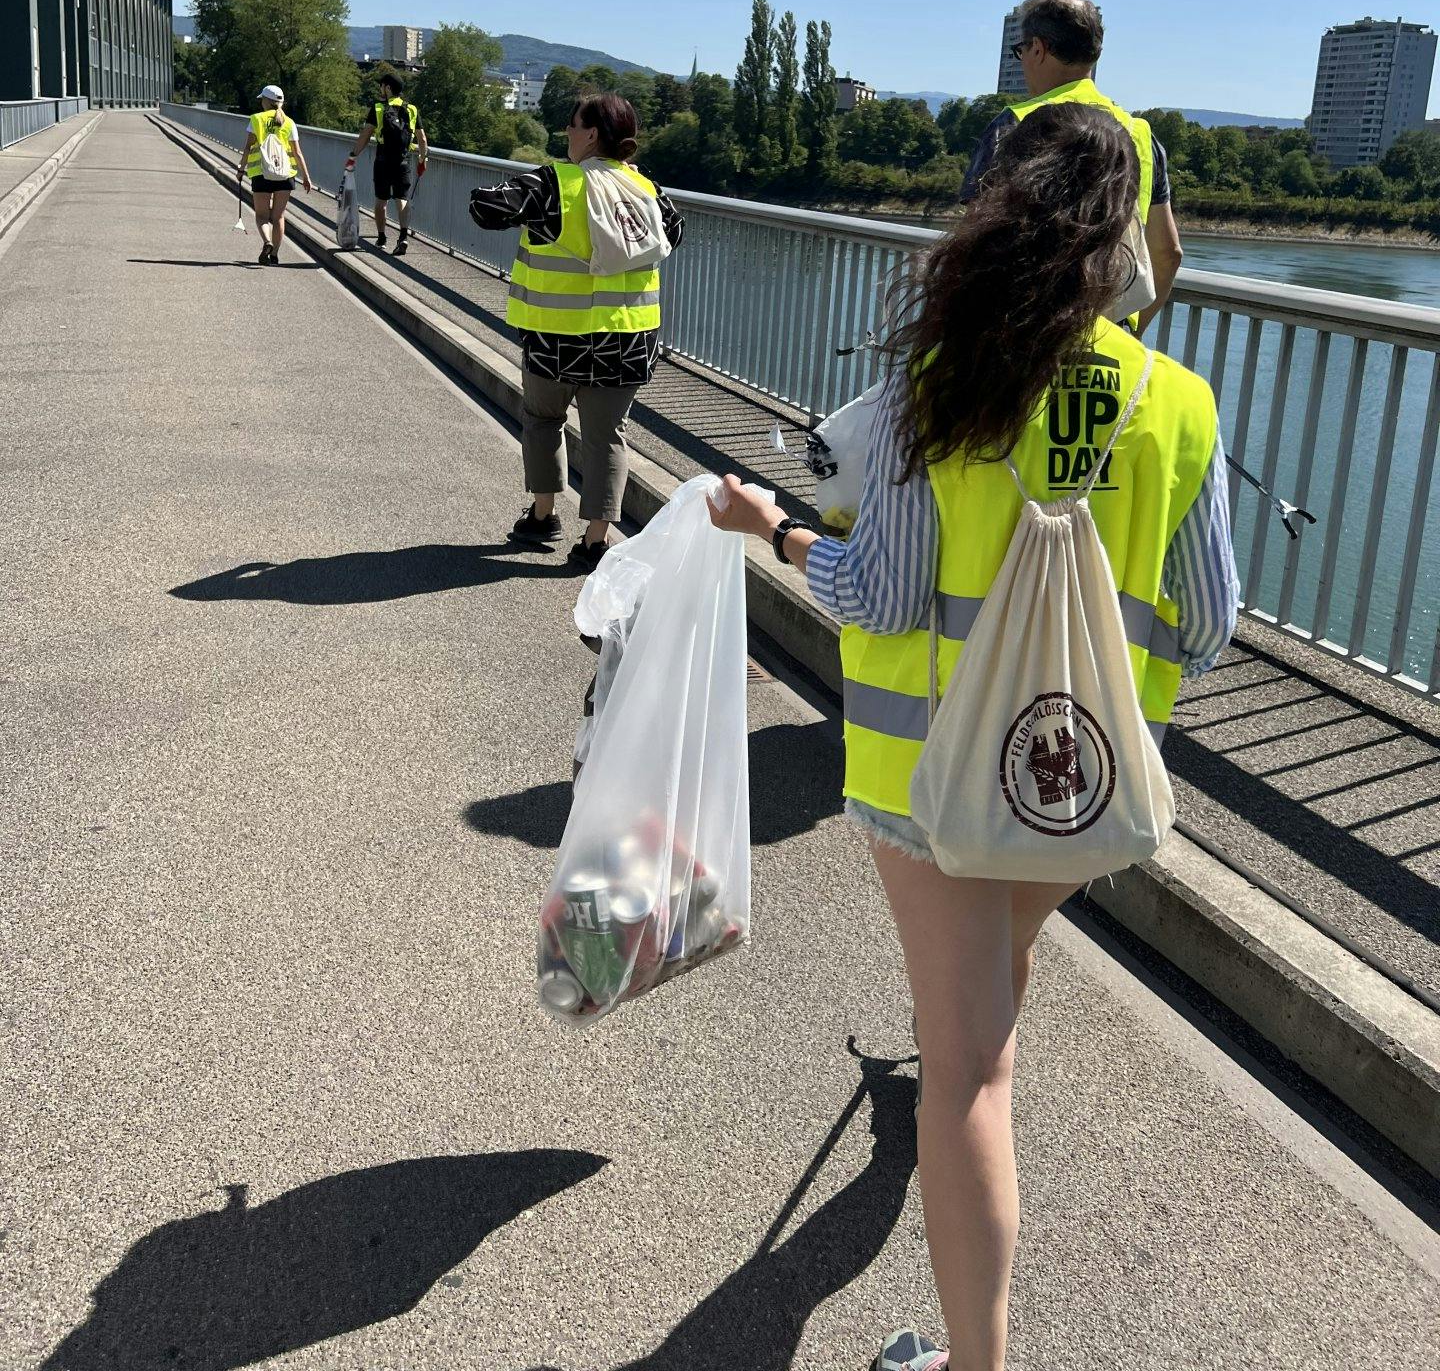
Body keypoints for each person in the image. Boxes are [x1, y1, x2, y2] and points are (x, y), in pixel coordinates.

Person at [710, 104, 1238, 1371]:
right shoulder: (1177, 403)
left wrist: (775, 532)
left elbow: (875, 597)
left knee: (968, 1085)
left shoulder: (926, 395)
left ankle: (975, 1365)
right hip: (1081, 790)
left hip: (925, 783)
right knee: (994, 998)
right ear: (1122, 243)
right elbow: (1211, 621)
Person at [468, 90, 684, 571]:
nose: (566, 131)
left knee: (544, 420)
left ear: (591, 134)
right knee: (608, 436)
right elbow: (675, 232)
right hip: (628, 340)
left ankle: (543, 517)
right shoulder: (647, 190)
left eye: (572, 123)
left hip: (556, 338)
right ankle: (595, 541)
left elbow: (487, 209)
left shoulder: (554, 183)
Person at [962, 0, 1183, 333]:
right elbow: (1168, 252)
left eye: (1021, 51)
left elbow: (972, 246)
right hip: (1108, 334)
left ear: (1038, 48)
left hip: (1021, 335)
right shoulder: (1140, 133)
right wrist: (1130, 334)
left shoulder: (1014, 124)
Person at [344, 69, 428, 253]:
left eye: (381, 86)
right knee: (402, 199)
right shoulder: (412, 109)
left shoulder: (378, 108)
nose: (380, 89)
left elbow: (365, 135)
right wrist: (423, 158)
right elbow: (421, 139)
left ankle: (381, 238)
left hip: (383, 161)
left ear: (388, 88)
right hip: (403, 160)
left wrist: (353, 155)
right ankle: (403, 236)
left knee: (381, 201)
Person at [238, 85, 312, 265]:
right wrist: (306, 177)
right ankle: (275, 254)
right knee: (278, 216)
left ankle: (267, 241)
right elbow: (297, 152)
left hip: (261, 173)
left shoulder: (256, 119)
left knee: (262, 216)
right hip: (285, 175)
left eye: (262, 99)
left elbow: (248, 147)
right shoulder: (289, 122)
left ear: (266, 101)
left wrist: (241, 169)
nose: (260, 102)